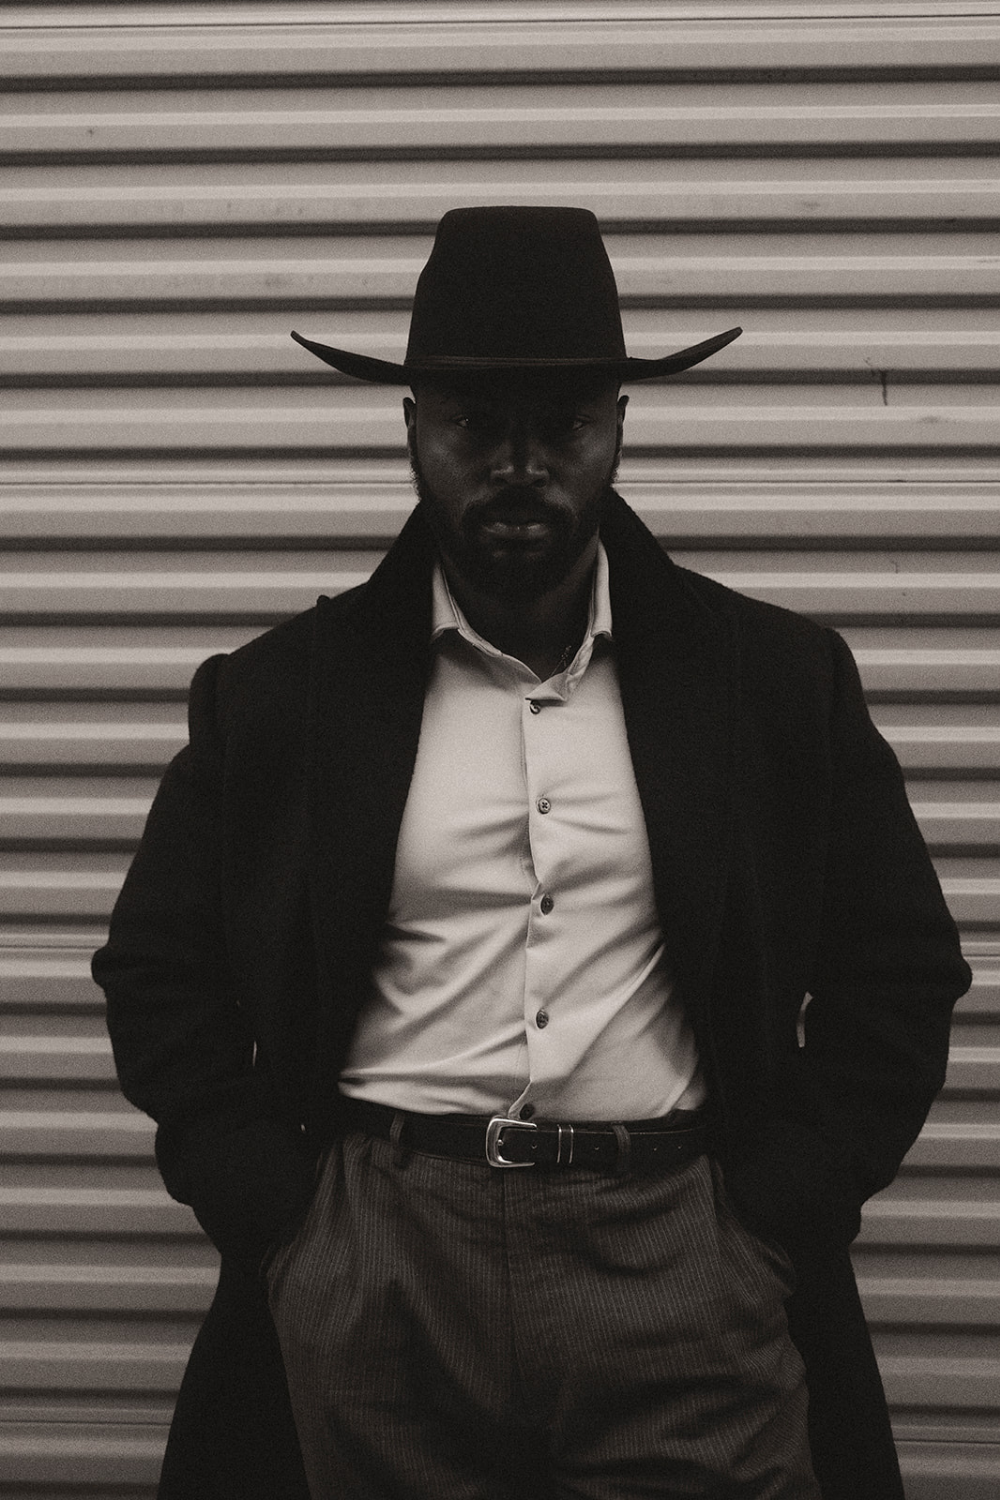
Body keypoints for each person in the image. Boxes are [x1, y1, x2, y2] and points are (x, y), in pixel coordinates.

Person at [92, 206, 971, 1500]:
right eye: (472, 423)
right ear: (411, 428)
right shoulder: (285, 695)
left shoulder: (773, 683)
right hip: (381, 1257)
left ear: (621, 425)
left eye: (562, 423)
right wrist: (286, 1223)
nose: (517, 465)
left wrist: (770, 1220)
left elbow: (898, 971)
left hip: (676, 1257)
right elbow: (157, 970)